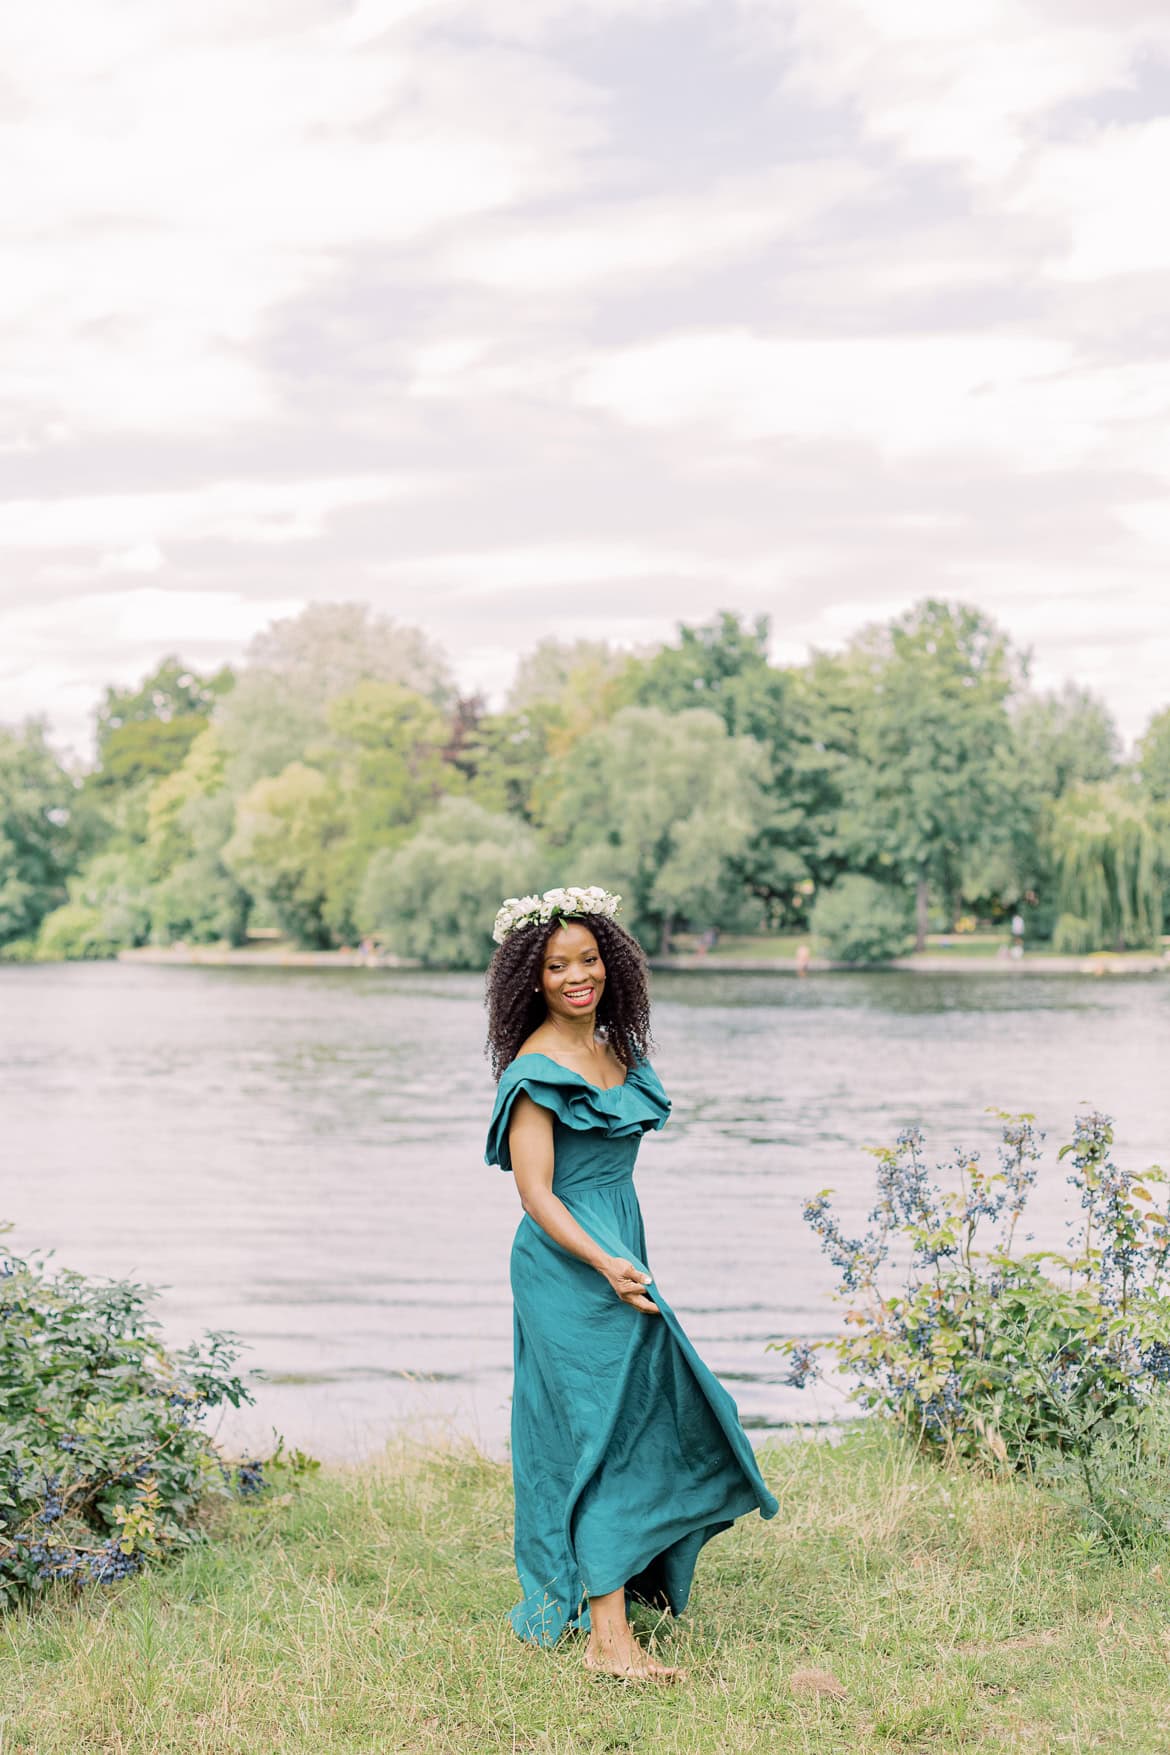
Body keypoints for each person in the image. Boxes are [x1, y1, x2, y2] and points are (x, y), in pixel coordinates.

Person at [484, 885, 778, 1682]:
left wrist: (623, 1254)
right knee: (601, 1431)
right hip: (567, 1263)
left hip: (621, 1247)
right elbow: (537, 1192)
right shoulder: (535, 1068)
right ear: (530, 977)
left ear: (612, 962)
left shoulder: (616, 1050)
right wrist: (604, 1260)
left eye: (588, 959)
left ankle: (621, 1589)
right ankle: (610, 1642)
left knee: (648, 1413)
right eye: (556, 965)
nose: (576, 975)